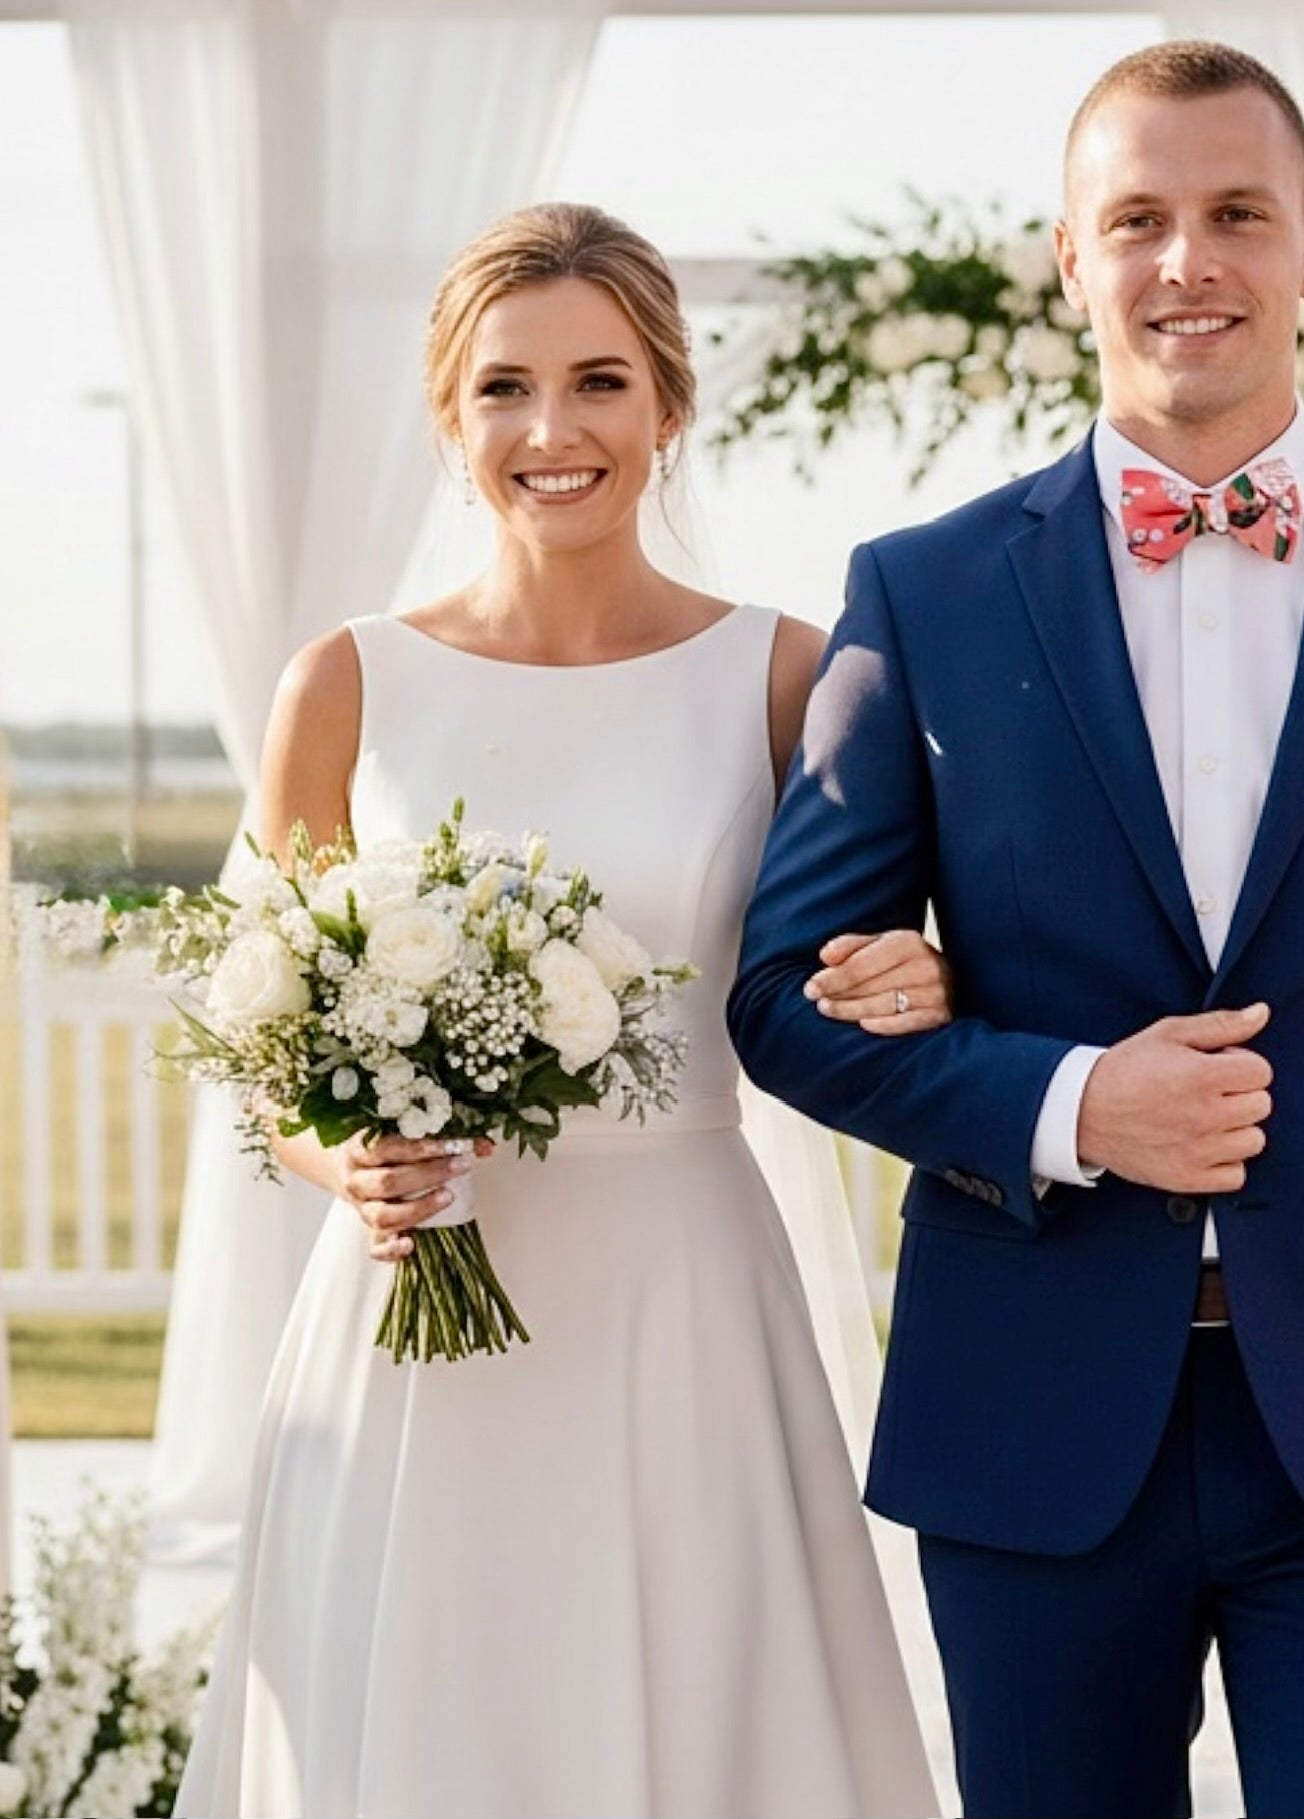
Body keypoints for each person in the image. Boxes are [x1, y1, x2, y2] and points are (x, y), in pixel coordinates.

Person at [731, 41, 1304, 1819]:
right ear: (1065, 256)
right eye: (1136, 219)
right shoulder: (919, 591)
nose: (1187, 260)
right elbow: (782, 997)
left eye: (1235, 212)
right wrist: (1071, 1100)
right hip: (1029, 1408)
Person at [176, 202, 942, 1819]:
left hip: (680, 1289)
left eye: (598, 381)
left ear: (667, 405)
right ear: (448, 419)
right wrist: (345, 1158)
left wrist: (915, 975)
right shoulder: (345, 682)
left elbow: (872, 958)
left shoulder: (786, 676)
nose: (551, 430)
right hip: (413, 1309)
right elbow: (262, 1034)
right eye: (503, 388)